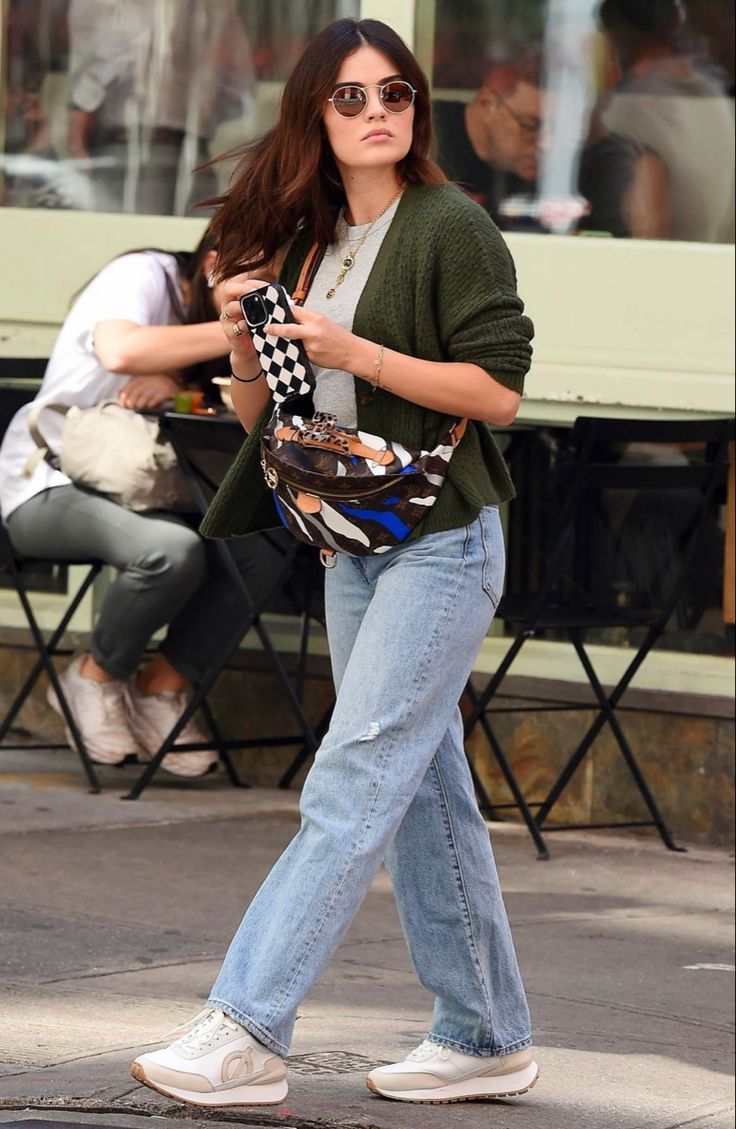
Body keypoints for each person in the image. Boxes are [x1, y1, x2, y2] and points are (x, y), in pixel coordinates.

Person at [130, 17, 537, 1106]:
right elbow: (269, 413)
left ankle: (248, 1026)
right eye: (350, 97)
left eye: (395, 94)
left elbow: (498, 392)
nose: (376, 114)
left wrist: (358, 349)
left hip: (443, 541)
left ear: (418, 110)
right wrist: (243, 339)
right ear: (316, 112)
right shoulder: (309, 241)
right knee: (419, 790)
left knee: (356, 773)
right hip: (352, 540)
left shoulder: (451, 225)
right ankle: (487, 1032)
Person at [0, 231, 284, 776]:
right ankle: (94, 676)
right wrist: (235, 330)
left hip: (157, 488)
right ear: (211, 265)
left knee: (263, 546)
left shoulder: (226, 329)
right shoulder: (145, 275)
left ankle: (160, 689)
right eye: (250, 283)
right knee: (169, 552)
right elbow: (120, 349)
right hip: (49, 482)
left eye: (271, 288)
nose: (259, 300)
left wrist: (177, 382)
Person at [66, 0, 256, 215]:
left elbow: (95, 75)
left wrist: (76, 139)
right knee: (188, 241)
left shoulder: (110, 5)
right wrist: (194, 112)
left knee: (133, 242)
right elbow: (239, 93)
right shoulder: (215, 7)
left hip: (128, 152)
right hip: (194, 152)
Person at [578, 0, 735, 241]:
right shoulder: (716, 96)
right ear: (675, 21)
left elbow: (644, 229)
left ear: (615, 32)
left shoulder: (620, 111)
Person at [432, 51, 543, 229]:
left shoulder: (542, 173)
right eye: (530, 125)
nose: (547, 143)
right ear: (487, 105)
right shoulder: (424, 142)